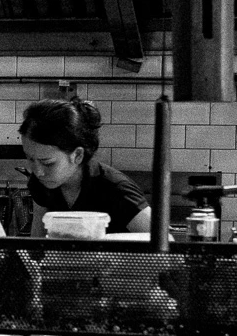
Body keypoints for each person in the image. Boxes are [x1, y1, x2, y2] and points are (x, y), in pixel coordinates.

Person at [20, 98, 152, 235]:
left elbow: (162, 241)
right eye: (30, 159)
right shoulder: (41, 184)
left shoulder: (116, 190)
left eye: (48, 163)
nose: (38, 172)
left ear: (77, 155)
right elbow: (38, 240)